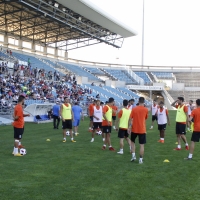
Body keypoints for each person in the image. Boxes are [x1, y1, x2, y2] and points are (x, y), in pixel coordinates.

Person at [128, 97, 148, 164]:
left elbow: (130, 119)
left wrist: (129, 127)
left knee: (133, 143)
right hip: (142, 129)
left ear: (138, 101)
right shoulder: (146, 109)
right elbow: (145, 118)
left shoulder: (134, 109)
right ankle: (140, 159)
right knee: (141, 145)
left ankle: (133, 156)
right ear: (144, 102)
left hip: (134, 129)